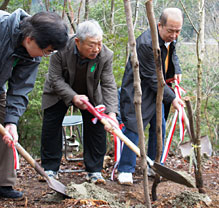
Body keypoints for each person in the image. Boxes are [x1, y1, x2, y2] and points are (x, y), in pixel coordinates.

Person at [0, 8, 68, 199]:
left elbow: (20, 87)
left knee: (7, 129)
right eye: (46, 51)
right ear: (29, 39)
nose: (44, 56)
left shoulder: (32, 54)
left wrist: (11, 122)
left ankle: (3, 184)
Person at [40, 20, 118, 184]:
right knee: (51, 125)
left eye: (99, 44)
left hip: (90, 93)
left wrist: (111, 114)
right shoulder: (60, 48)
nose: (96, 49)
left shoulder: (105, 54)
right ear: (77, 41)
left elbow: (109, 83)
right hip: (58, 91)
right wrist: (73, 97)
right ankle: (50, 168)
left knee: (97, 127)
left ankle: (94, 171)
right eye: (91, 45)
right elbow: (55, 78)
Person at [117, 8, 184, 185]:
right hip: (139, 89)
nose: (174, 35)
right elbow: (152, 78)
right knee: (134, 127)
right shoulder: (146, 43)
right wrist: (173, 98)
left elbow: (172, 52)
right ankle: (125, 169)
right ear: (159, 25)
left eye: (178, 31)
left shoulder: (170, 39)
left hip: (158, 92)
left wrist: (176, 69)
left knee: (158, 126)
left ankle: (155, 166)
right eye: (171, 31)